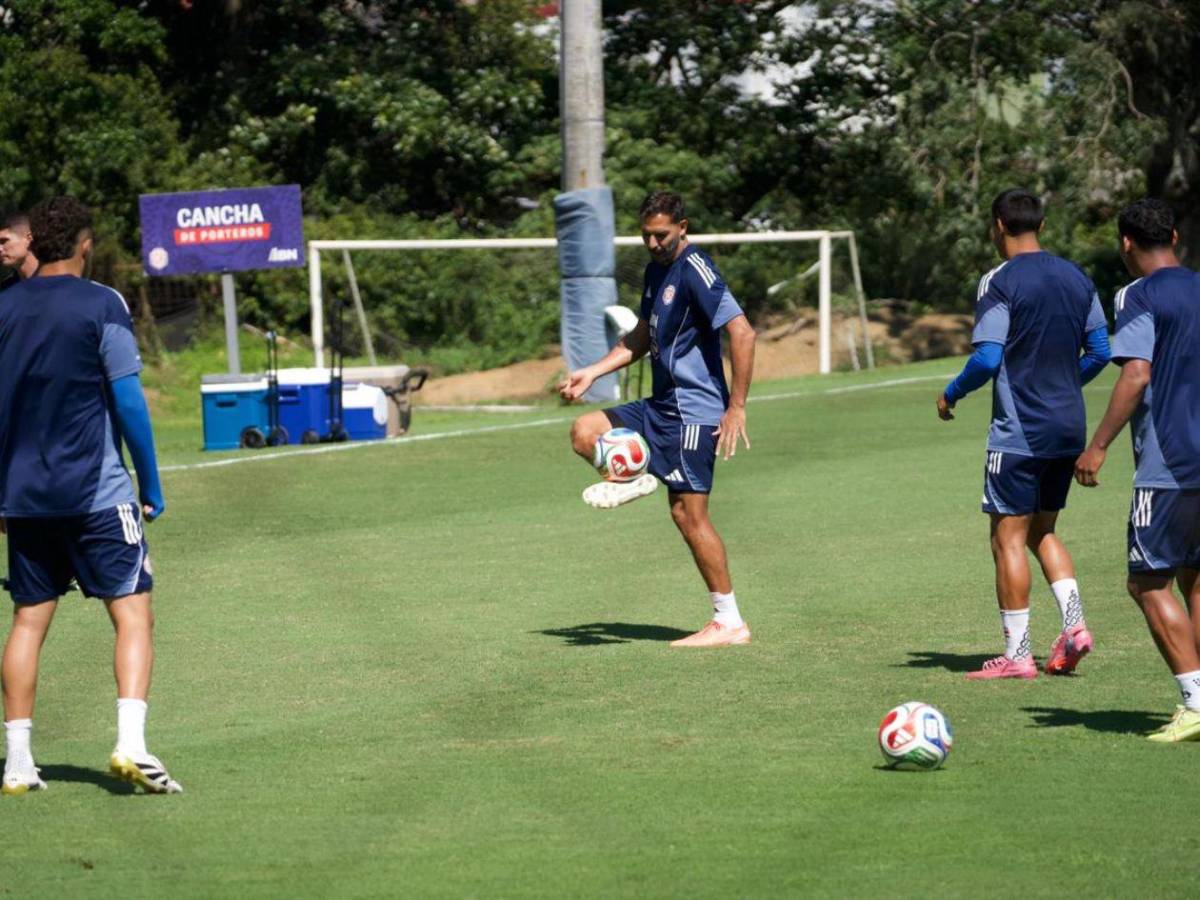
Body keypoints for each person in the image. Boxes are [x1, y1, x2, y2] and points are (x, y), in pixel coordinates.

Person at [0, 196, 180, 794]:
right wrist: (150, 482)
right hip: (98, 492)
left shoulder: (4, 307)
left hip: (24, 495)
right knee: (133, 613)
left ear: (33, 242)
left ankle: (18, 764)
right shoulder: (103, 302)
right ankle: (132, 745)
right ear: (83, 244)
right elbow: (128, 401)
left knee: (28, 622)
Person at [559, 191, 757, 648]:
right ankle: (633, 476)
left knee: (689, 516)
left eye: (661, 235)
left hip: (694, 412)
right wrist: (592, 371)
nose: (652, 243)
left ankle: (729, 622)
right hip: (661, 405)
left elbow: (743, 333)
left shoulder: (696, 269)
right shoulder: (655, 271)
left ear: (683, 228)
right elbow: (642, 336)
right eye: (646, 235)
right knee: (584, 431)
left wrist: (736, 407)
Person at [937, 188, 1111, 680]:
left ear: (998, 225)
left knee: (1006, 539)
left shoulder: (999, 280)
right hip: (1068, 425)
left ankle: (1017, 656)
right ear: (1041, 224)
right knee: (1043, 530)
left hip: (1020, 431)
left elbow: (988, 357)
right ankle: (1074, 627)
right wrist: (1064, 385)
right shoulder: (1077, 276)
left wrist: (951, 393)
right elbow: (1100, 351)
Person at [1075, 199, 1200, 742]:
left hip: (1169, 462)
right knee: (1196, 576)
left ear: (1126, 243)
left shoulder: (1136, 294)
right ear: (1172, 236)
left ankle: (1196, 702)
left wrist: (1098, 445)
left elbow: (1136, 374)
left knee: (1148, 581)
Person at [0, 210, 38, 290]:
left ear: (29, 238)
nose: (0, 249)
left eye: (3, 241)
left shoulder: (56, 281)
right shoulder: (6, 289)